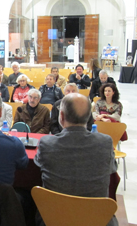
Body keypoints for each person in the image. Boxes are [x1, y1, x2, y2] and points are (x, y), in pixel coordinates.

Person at [34, 93, 118, 226]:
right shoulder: (105, 143)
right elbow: (112, 169)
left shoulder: (46, 143)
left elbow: (38, 164)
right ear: (89, 117)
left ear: (61, 116)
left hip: (53, 218)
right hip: (96, 219)